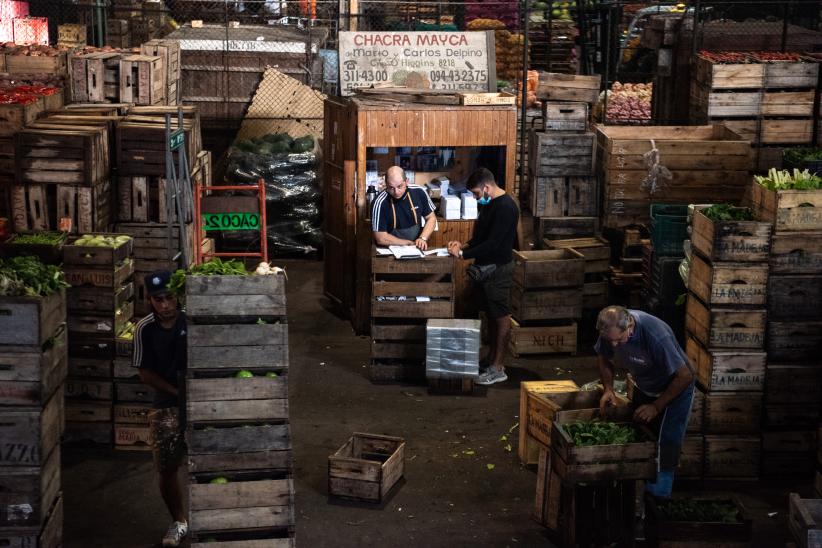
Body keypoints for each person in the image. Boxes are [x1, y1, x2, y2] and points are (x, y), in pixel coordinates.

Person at [593, 305, 695, 499]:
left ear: (630, 325)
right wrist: (608, 389)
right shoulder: (610, 328)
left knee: (667, 438)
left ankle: (659, 493)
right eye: (610, 340)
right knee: (640, 430)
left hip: (674, 387)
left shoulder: (655, 334)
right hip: (645, 383)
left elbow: (685, 375)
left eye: (620, 339)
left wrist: (656, 406)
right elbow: (604, 356)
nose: (615, 345)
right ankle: (638, 484)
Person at [447, 167, 519, 386]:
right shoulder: (488, 205)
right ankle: (490, 359)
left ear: (487, 187)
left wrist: (463, 254)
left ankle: (498, 368)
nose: (477, 198)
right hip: (484, 269)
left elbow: (493, 244)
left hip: (498, 269)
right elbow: (480, 237)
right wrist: (463, 245)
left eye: (477, 193)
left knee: (500, 316)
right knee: (489, 314)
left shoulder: (506, 207)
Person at [133, 271, 189, 547]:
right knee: (166, 466)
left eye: (169, 298)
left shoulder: (191, 319)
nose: (165, 305)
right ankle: (179, 520)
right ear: (151, 300)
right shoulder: (145, 328)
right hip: (168, 400)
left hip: (201, 398)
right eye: (158, 300)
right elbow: (145, 373)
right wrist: (177, 394)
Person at [372, 165, 437, 250]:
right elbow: (380, 238)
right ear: (386, 184)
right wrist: (407, 243)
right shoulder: (380, 202)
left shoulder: (419, 192)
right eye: (391, 188)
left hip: (416, 246)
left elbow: (431, 218)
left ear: (406, 181)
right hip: (389, 249)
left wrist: (422, 238)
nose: (396, 192)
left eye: (399, 186)